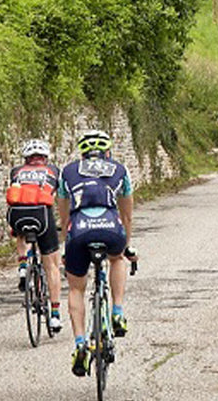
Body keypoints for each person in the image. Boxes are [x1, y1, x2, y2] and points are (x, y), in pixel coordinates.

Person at [57, 130, 137, 377]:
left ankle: (81, 343)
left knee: (76, 288)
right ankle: (118, 311)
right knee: (117, 258)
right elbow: (127, 216)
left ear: (82, 153)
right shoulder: (120, 170)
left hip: (79, 231)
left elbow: (64, 216)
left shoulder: (67, 172)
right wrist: (127, 246)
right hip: (111, 229)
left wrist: (65, 246)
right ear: (107, 152)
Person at [6, 139, 63, 333]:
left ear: (26, 159)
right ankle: (55, 315)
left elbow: (16, 196)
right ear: (45, 158)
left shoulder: (16, 171)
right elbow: (57, 197)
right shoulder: (53, 171)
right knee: (52, 266)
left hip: (17, 215)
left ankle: (23, 266)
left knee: (20, 232)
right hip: (43, 216)